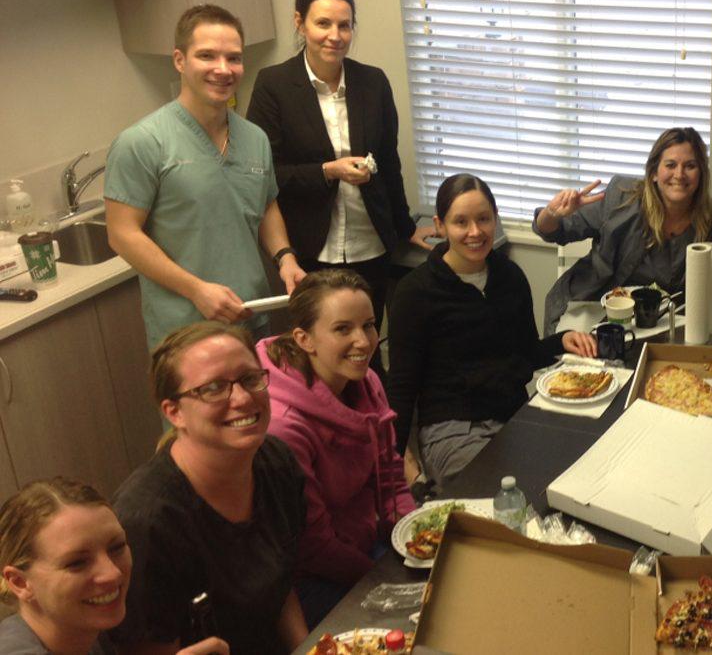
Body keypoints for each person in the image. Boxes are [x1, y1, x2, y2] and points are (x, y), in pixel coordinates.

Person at [105, 4, 306, 351]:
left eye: (234, 58)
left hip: (251, 314)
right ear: (180, 60)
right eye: (207, 56)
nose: (223, 69)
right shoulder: (143, 142)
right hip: (185, 329)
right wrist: (196, 289)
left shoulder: (254, 138)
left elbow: (265, 204)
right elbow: (122, 235)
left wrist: (285, 257)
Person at [388, 174, 597, 489]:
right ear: (440, 226)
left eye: (483, 219)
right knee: (499, 495)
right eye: (461, 222)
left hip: (513, 415)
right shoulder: (415, 292)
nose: (475, 232)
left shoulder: (510, 276)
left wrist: (561, 341)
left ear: (495, 219)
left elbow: (525, 352)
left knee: (572, 478)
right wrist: (396, 463)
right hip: (452, 427)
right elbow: (402, 388)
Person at [110, 323, 308, 654]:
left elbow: (281, 587)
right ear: (174, 412)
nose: (242, 398)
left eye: (250, 379)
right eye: (214, 388)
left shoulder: (277, 462)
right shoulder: (146, 522)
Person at [246, 0, 433, 329]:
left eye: (344, 25)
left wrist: (406, 227)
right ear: (300, 23)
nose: (335, 35)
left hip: (371, 243)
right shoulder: (273, 85)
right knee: (318, 345)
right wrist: (328, 171)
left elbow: (389, 162)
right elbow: (266, 175)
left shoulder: (373, 82)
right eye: (323, 23)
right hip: (309, 249)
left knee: (366, 339)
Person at [258, 268, 416, 627]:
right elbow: (314, 546)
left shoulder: (366, 380)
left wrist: (415, 537)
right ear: (304, 339)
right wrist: (386, 580)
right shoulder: (284, 427)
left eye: (369, 325)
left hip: (364, 545)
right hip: (312, 578)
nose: (363, 341)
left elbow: (390, 476)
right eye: (343, 329)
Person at [533, 127, 712, 332]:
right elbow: (555, 231)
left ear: (701, 174)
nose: (679, 174)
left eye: (690, 166)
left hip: (664, 324)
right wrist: (551, 214)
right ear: (654, 173)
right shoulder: (621, 197)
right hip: (591, 309)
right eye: (670, 165)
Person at [0, 477, 228, 655]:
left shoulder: (83, 631)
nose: (112, 573)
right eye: (77, 563)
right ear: (19, 582)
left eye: (117, 547)